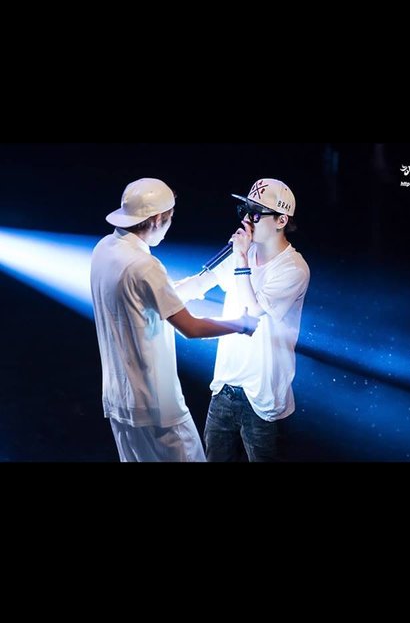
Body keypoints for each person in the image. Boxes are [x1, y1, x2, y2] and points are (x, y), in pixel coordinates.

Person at [90, 178, 258, 463]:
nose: (168, 226)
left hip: (120, 404)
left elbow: (151, 297)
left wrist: (205, 279)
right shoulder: (146, 265)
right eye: (169, 219)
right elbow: (191, 328)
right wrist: (242, 324)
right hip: (158, 408)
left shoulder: (105, 249)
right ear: (157, 219)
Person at [183, 178, 310, 462]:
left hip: (264, 400)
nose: (246, 219)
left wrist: (241, 258)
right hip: (224, 388)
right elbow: (197, 284)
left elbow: (253, 310)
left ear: (281, 220)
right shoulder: (241, 253)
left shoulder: (294, 268)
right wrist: (154, 293)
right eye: (244, 210)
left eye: (255, 213)